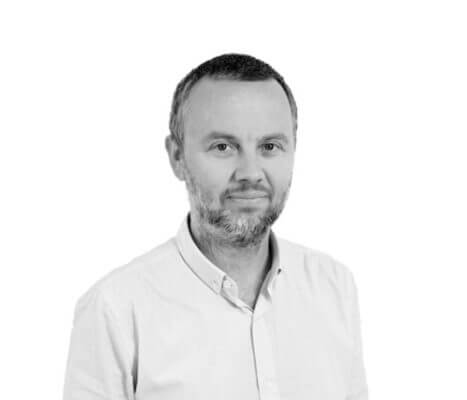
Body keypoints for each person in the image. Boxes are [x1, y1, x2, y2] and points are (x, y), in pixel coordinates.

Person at [62, 53, 369, 400]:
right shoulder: (115, 309)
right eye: (223, 147)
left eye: (270, 146)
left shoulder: (334, 287)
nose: (250, 173)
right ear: (177, 157)